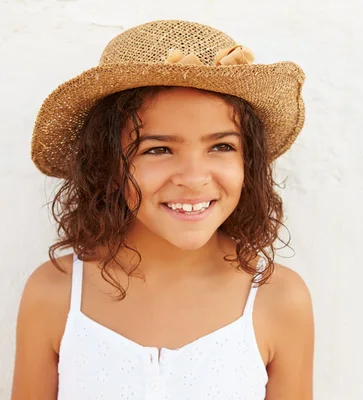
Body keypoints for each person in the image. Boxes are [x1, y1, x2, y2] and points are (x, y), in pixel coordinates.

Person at [11, 20, 313, 400]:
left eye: (220, 146)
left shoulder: (280, 298)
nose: (193, 177)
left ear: (248, 161)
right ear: (109, 166)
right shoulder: (54, 293)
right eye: (157, 149)